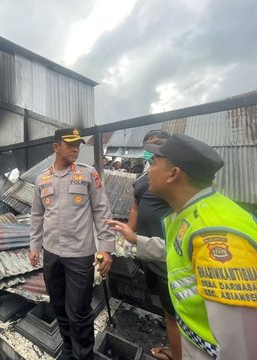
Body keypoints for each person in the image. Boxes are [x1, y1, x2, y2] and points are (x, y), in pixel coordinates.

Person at [108, 134, 257, 360]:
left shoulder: (216, 236)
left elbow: (239, 347)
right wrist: (136, 240)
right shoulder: (191, 211)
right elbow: (178, 250)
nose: (149, 170)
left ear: (173, 174)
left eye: (155, 163)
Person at [29, 128, 116, 360]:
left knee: (78, 311)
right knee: (59, 306)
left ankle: (83, 355)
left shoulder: (88, 174)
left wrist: (106, 248)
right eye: (70, 144)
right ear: (56, 146)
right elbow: (37, 215)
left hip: (79, 255)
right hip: (51, 255)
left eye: (78, 143)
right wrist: (34, 246)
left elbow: (102, 211)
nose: (76, 148)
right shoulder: (42, 179)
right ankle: (68, 348)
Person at [127, 129, 181, 360]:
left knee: (175, 315)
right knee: (165, 308)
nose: (152, 150)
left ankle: (176, 355)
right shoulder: (142, 178)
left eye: (159, 145)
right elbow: (135, 207)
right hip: (146, 253)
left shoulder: (174, 176)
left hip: (167, 257)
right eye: (149, 146)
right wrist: (128, 233)